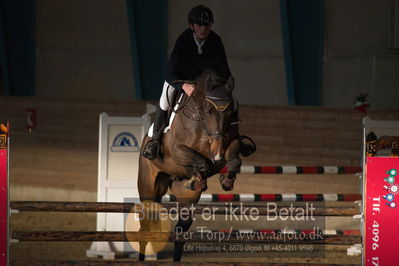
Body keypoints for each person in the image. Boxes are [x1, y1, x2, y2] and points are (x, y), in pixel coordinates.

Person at [142, 5, 255, 160]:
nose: (204, 28)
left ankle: (237, 136)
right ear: (191, 26)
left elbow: (224, 69)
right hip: (182, 80)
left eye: (207, 25)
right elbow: (169, 72)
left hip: (208, 85)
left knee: (233, 101)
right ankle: (154, 141)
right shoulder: (183, 40)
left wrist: (223, 86)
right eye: (200, 25)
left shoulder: (215, 40)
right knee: (164, 100)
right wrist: (183, 85)